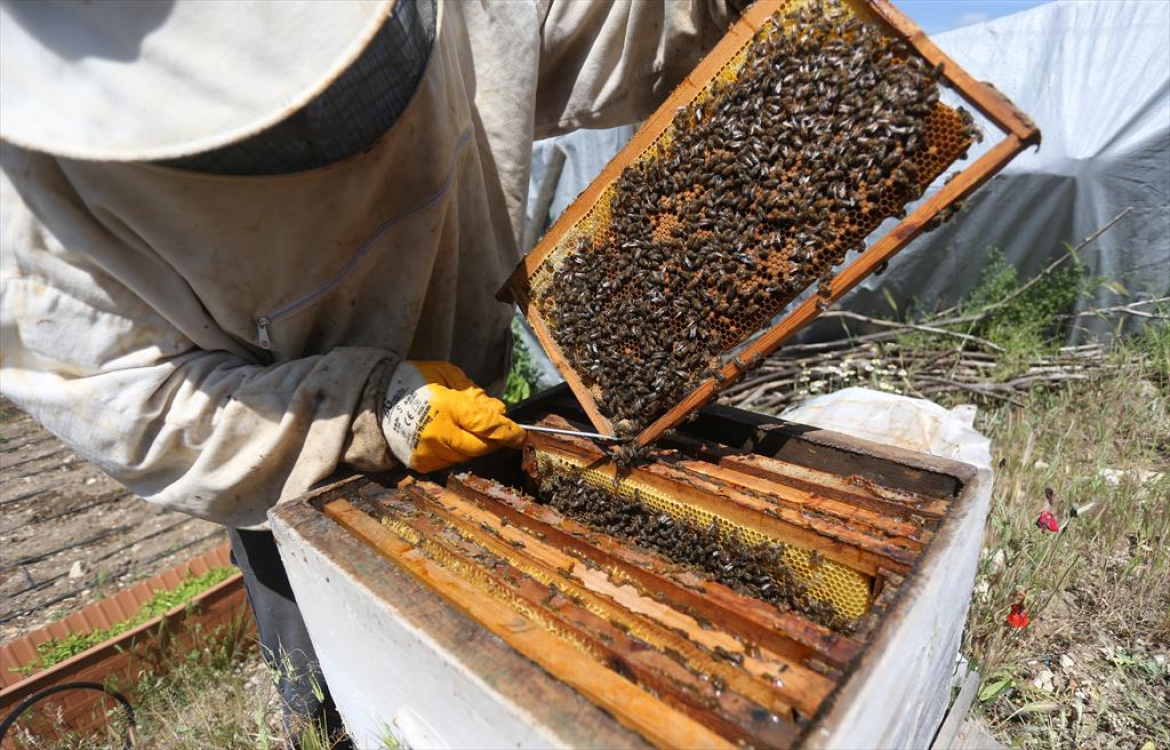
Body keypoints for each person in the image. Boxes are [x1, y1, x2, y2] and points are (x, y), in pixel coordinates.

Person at [0, 0, 741, 744]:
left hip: (473, 407)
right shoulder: (30, 206)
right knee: (351, 704)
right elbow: (142, 413)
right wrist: (368, 411)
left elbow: (590, 26)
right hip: (301, 486)